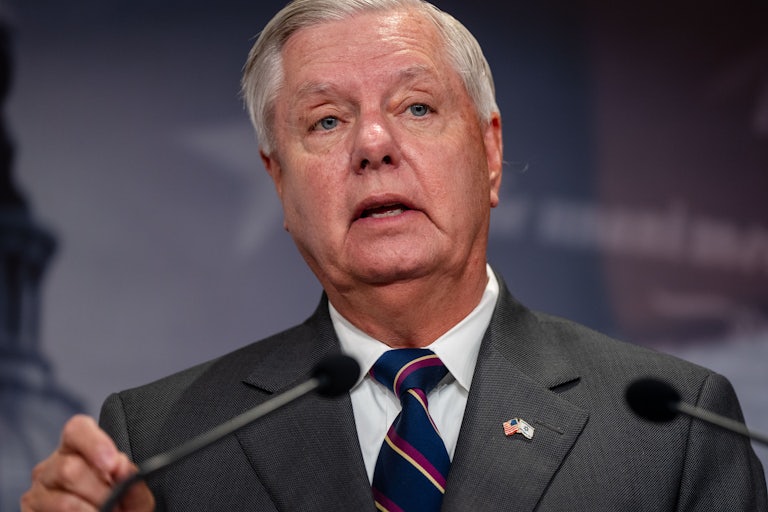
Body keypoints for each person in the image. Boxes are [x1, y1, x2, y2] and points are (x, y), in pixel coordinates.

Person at [21, 0, 768, 510]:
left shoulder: (671, 428)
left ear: (490, 151)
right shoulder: (161, 445)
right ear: (279, 182)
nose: (374, 145)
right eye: (325, 121)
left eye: (416, 107)